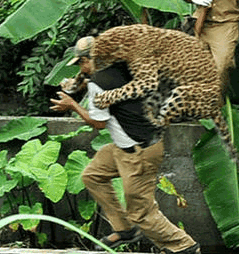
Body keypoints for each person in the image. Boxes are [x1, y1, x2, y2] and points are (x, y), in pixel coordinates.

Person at [50, 37, 201, 254]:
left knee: (142, 213)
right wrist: (78, 83)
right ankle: (124, 230)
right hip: (127, 146)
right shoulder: (124, 67)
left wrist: (72, 105)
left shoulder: (99, 84)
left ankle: (184, 246)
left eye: (82, 62)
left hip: (138, 153)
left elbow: (99, 123)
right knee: (92, 175)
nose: (81, 68)